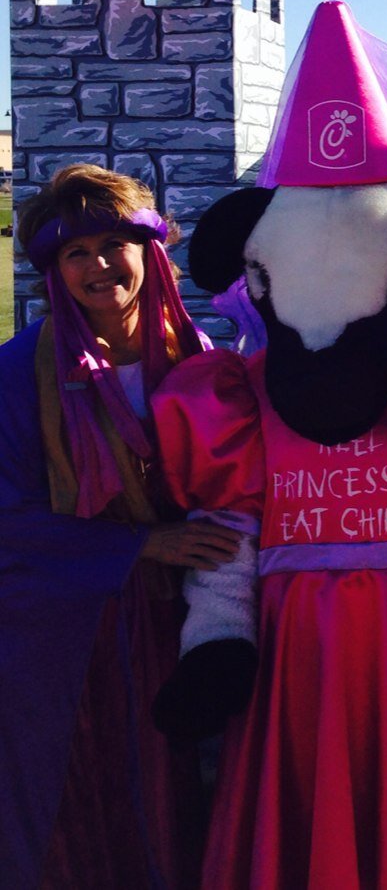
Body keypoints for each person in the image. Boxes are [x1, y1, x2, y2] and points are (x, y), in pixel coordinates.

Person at [0, 164, 241, 890]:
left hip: (188, 615)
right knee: (77, 792)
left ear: (150, 250)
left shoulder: (205, 365)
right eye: (76, 253)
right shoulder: (18, 375)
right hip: (69, 628)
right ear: (53, 268)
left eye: (114, 244)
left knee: (180, 787)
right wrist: (137, 543)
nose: (99, 266)